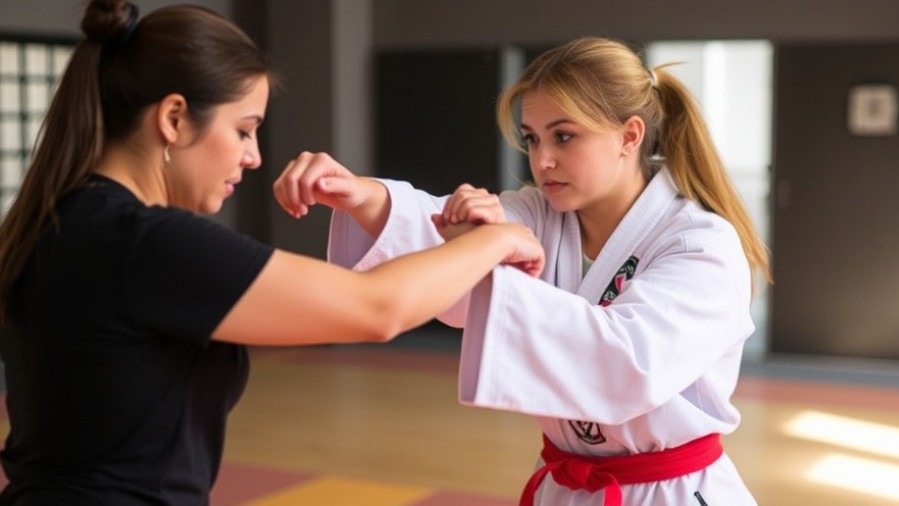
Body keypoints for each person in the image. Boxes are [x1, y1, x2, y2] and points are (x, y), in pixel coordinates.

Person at [0, 1, 546, 504]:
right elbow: (377, 308)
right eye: (243, 131)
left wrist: (364, 196)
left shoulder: (60, 222)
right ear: (174, 118)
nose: (254, 156)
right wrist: (497, 238)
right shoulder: (145, 243)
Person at [273, 36, 771, 505]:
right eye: (532, 139)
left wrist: (484, 251)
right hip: (564, 483)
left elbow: (628, 364)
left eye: (564, 136)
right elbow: (436, 235)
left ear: (629, 136)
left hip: (669, 491)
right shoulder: (539, 213)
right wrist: (363, 196)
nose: (543, 160)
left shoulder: (700, 243)